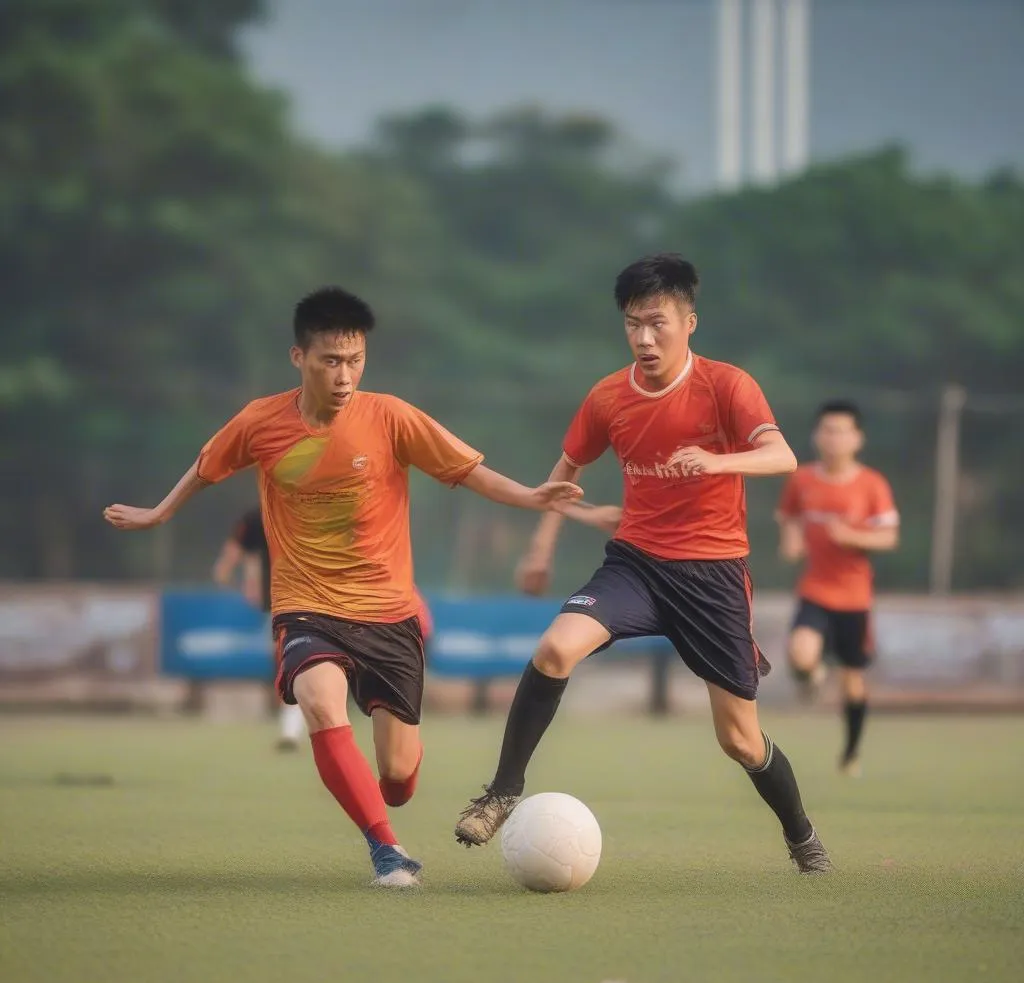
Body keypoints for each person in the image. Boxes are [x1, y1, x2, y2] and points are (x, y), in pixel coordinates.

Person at [104, 286, 582, 888]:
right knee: (320, 702)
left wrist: (532, 496)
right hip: (306, 607)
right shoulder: (260, 422)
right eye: (331, 360)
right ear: (298, 358)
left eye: (355, 360)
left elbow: (469, 473)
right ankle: (386, 851)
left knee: (400, 779)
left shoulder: (390, 417)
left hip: (388, 614)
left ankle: (386, 798)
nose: (345, 373)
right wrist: (158, 513)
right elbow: (205, 468)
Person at [453, 253, 833, 874]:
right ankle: (501, 793)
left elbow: (782, 455)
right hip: (636, 564)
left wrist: (717, 462)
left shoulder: (728, 386)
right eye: (633, 324)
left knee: (738, 739)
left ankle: (801, 835)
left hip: (712, 576)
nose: (644, 338)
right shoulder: (608, 396)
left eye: (657, 323)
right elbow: (565, 474)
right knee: (554, 649)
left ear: (689, 322)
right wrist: (541, 547)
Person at [776, 400, 900, 777]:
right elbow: (788, 515)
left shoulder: (872, 484)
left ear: (857, 438)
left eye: (842, 431)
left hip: (855, 598)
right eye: (827, 430)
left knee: (852, 681)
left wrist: (853, 536)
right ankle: (811, 676)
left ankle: (850, 754)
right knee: (800, 655)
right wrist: (791, 540)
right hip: (815, 590)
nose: (834, 438)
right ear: (817, 436)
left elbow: (889, 537)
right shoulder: (803, 480)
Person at [212, 507, 306, 751]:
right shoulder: (258, 517)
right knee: (286, 660)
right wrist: (243, 578)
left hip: (307, 597)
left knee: (293, 659)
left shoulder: (305, 510)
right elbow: (239, 553)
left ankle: (293, 724)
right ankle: (292, 723)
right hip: (280, 601)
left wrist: (229, 573)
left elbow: (231, 562)